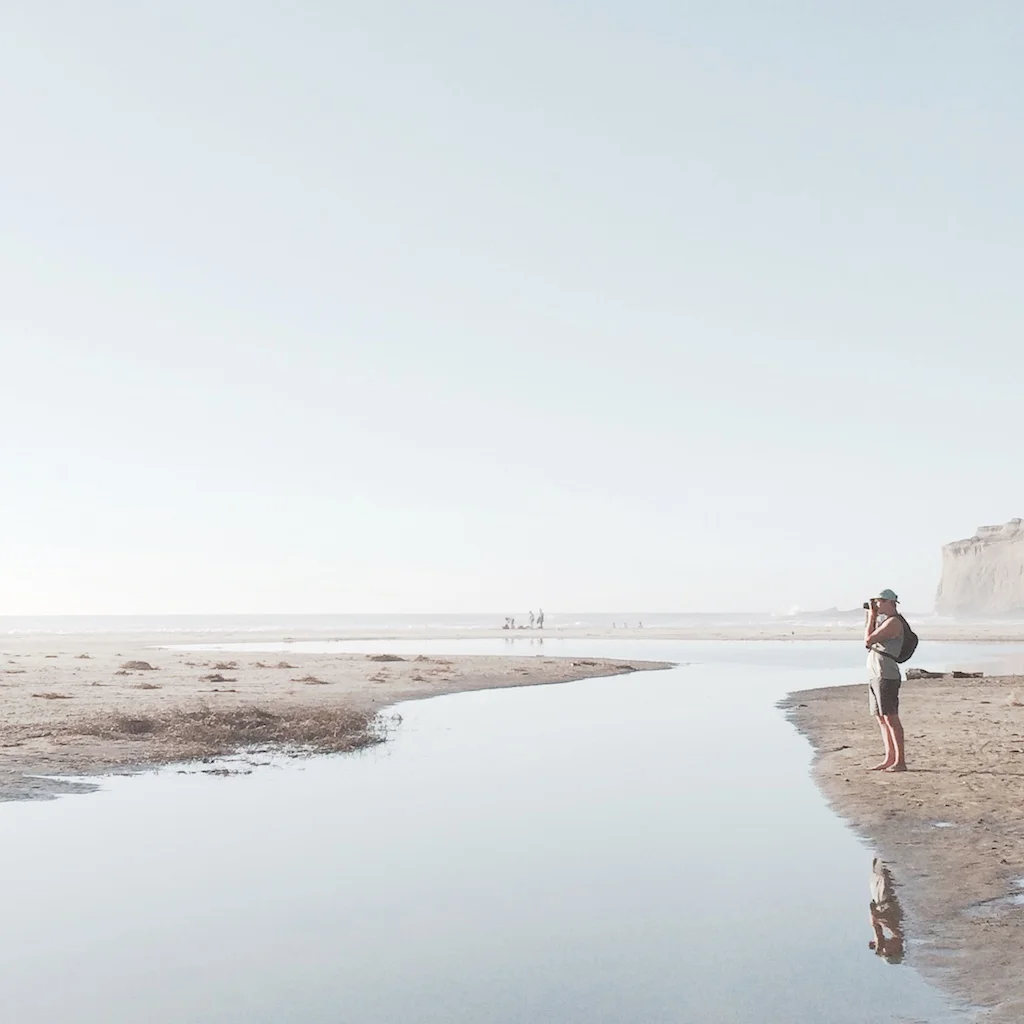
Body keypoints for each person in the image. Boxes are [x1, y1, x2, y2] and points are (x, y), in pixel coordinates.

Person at [865, 588, 906, 771]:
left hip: (886, 673)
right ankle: (890, 757)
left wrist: (871, 617)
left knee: (891, 717)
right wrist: (872, 617)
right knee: (881, 717)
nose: (877, 604)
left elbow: (868, 639)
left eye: (879, 601)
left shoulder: (894, 622)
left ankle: (900, 761)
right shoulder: (885, 621)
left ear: (890, 602)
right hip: (876, 672)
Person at [868, 857, 905, 964]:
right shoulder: (900, 932)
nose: (884, 949)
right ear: (896, 950)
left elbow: (874, 916)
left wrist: (878, 933)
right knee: (884, 857)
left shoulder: (895, 931)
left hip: (880, 888)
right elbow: (879, 917)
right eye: (887, 953)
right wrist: (878, 936)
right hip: (886, 888)